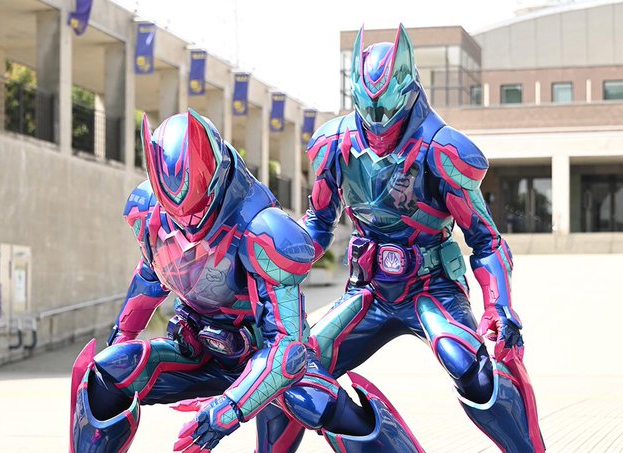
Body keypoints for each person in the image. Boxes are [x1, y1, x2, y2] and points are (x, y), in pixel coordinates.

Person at [68, 109, 423, 452]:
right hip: (198, 351)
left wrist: (227, 411)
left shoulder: (264, 231)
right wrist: (122, 337)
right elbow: (150, 277)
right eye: (176, 214)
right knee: (108, 373)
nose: (188, 224)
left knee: (314, 400)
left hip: (266, 361)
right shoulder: (148, 212)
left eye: (196, 210)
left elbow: (287, 349)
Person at [260, 25, 545, 452]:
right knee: (288, 372)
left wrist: (499, 305)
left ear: (409, 94)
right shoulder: (333, 145)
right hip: (370, 290)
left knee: (470, 368)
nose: (378, 122)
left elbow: (485, 240)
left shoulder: (443, 150)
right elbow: (318, 223)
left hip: (432, 287)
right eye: (369, 109)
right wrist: (275, 268)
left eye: (387, 109)